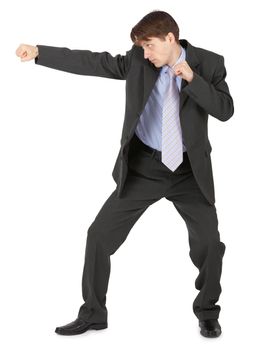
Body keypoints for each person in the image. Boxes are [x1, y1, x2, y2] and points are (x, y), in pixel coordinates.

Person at [15, 10, 234, 338]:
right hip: (145, 167)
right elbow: (94, 62)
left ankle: (207, 312)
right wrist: (40, 53)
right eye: (141, 48)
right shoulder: (138, 61)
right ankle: (93, 313)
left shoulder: (210, 63)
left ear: (169, 38)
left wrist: (193, 80)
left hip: (190, 172)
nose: (145, 54)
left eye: (149, 46)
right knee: (99, 236)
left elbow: (225, 110)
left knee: (209, 244)